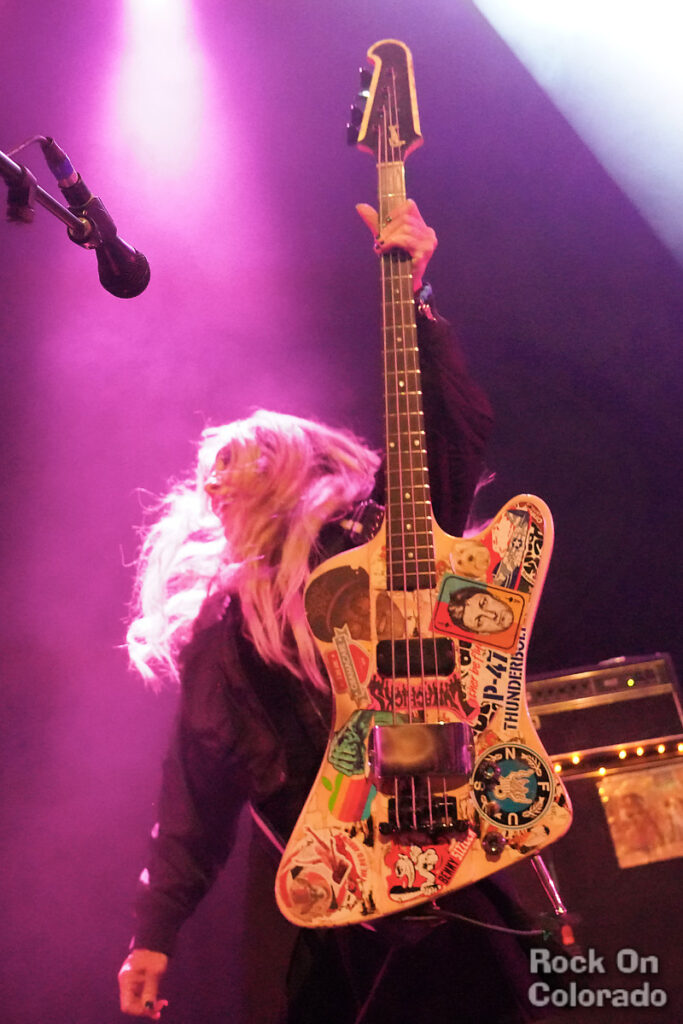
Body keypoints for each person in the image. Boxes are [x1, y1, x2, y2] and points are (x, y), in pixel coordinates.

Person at [117, 201, 547, 1023]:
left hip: (451, 877)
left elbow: (447, 439)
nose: (219, 479)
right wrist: (153, 935)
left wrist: (415, 303)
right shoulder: (222, 644)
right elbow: (192, 802)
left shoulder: (376, 547)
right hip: (345, 916)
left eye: (244, 459)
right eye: (213, 471)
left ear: (298, 471)